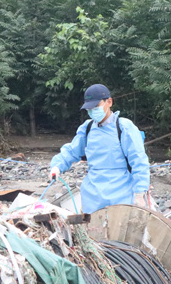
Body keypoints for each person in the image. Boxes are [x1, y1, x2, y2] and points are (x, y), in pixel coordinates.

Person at [49, 84, 151, 214]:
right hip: (92, 195)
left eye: (96, 107)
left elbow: (139, 160)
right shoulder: (87, 128)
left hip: (121, 193)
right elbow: (72, 151)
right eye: (89, 109)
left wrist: (139, 192)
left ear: (109, 102)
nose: (92, 111)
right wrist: (57, 166)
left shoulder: (124, 127)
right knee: (92, 225)